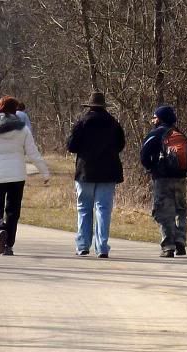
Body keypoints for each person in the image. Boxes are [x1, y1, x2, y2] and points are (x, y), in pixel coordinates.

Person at [0, 96, 51, 256]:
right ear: (14, 110)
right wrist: (44, 172)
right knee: (13, 211)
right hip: (17, 175)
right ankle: (8, 245)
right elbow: (33, 152)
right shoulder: (22, 128)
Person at [66, 92, 125, 258]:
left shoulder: (82, 123)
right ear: (104, 106)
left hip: (85, 171)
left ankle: (83, 245)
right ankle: (102, 247)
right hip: (108, 171)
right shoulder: (113, 123)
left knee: (84, 208)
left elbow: (71, 146)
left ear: (90, 106)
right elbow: (121, 144)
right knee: (103, 209)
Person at [140, 105, 187, 257]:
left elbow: (143, 155)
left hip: (162, 179)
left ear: (159, 119)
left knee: (164, 212)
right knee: (181, 211)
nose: (153, 120)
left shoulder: (155, 134)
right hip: (181, 179)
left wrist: (151, 168)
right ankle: (180, 241)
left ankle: (168, 246)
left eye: (154, 117)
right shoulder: (180, 135)